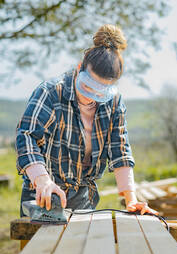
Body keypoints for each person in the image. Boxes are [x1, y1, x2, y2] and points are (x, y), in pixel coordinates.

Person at [15, 24, 158, 217]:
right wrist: (42, 180)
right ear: (80, 68)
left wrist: (131, 199)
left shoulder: (114, 102)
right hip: (44, 193)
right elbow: (27, 135)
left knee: (83, 246)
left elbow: (120, 150)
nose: (91, 97)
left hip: (84, 197)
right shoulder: (51, 92)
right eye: (88, 86)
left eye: (101, 92)